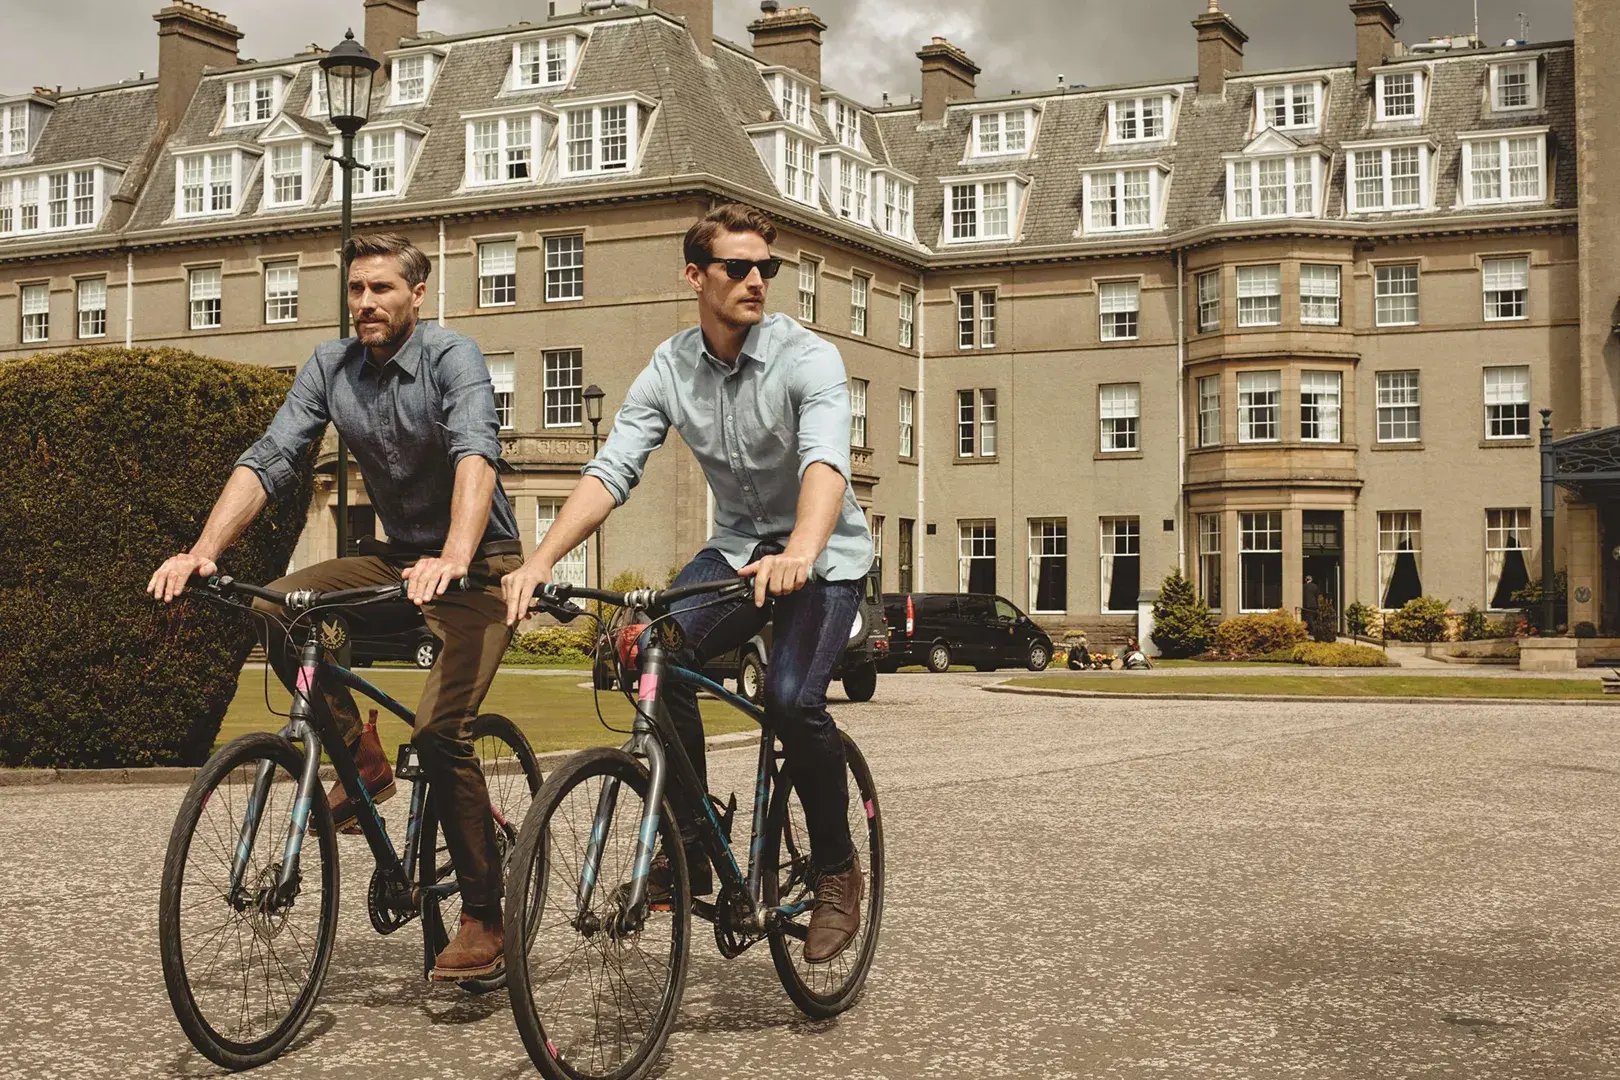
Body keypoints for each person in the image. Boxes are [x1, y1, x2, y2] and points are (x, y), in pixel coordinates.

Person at [502, 203, 873, 964]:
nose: (755, 280)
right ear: (694, 275)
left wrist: (801, 549)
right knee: (651, 653)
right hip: (737, 551)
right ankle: (695, 840)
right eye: (736, 267)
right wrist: (539, 561)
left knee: (791, 700)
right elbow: (612, 469)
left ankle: (837, 867)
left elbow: (825, 463)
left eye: (764, 267)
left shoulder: (809, 359)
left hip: (824, 555)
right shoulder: (671, 366)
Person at [147, 233, 521, 982]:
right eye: (356, 290)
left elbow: (476, 451)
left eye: (382, 289)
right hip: (396, 557)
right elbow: (272, 457)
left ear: (418, 293)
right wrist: (202, 549)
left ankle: (484, 916)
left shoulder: (455, 356)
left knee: (443, 731)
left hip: (478, 566)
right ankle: (359, 760)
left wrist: (454, 554)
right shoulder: (330, 366)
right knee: (281, 608)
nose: (366, 304)